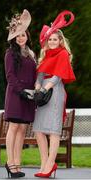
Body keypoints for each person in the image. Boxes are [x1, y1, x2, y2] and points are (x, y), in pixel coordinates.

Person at [33, 10, 76, 178]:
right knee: (38, 129)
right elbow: (41, 74)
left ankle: (51, 164)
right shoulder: (46, 55)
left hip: (54, 93)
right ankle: (44, 163)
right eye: (49, 39)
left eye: (55, 39)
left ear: (60, 41)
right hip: (43, 91)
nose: (51, 42)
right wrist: (38, 84)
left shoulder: (63, 54)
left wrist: (45, 88)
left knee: (53, 130)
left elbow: (57, 76)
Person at [4, 9, 36, 178]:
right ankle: (10, 163)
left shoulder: (31, 54)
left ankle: (18, 163)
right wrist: (21, 91)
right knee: (14, 127)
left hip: (29, 96)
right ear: (14, 39)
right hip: (16, 95)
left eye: (23, 35)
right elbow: (10, 76)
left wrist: (36, 90)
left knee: (23, 129)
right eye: (17, 36)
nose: (21, 38)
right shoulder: (10, 53)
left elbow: (35, 75)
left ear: (26, 36)